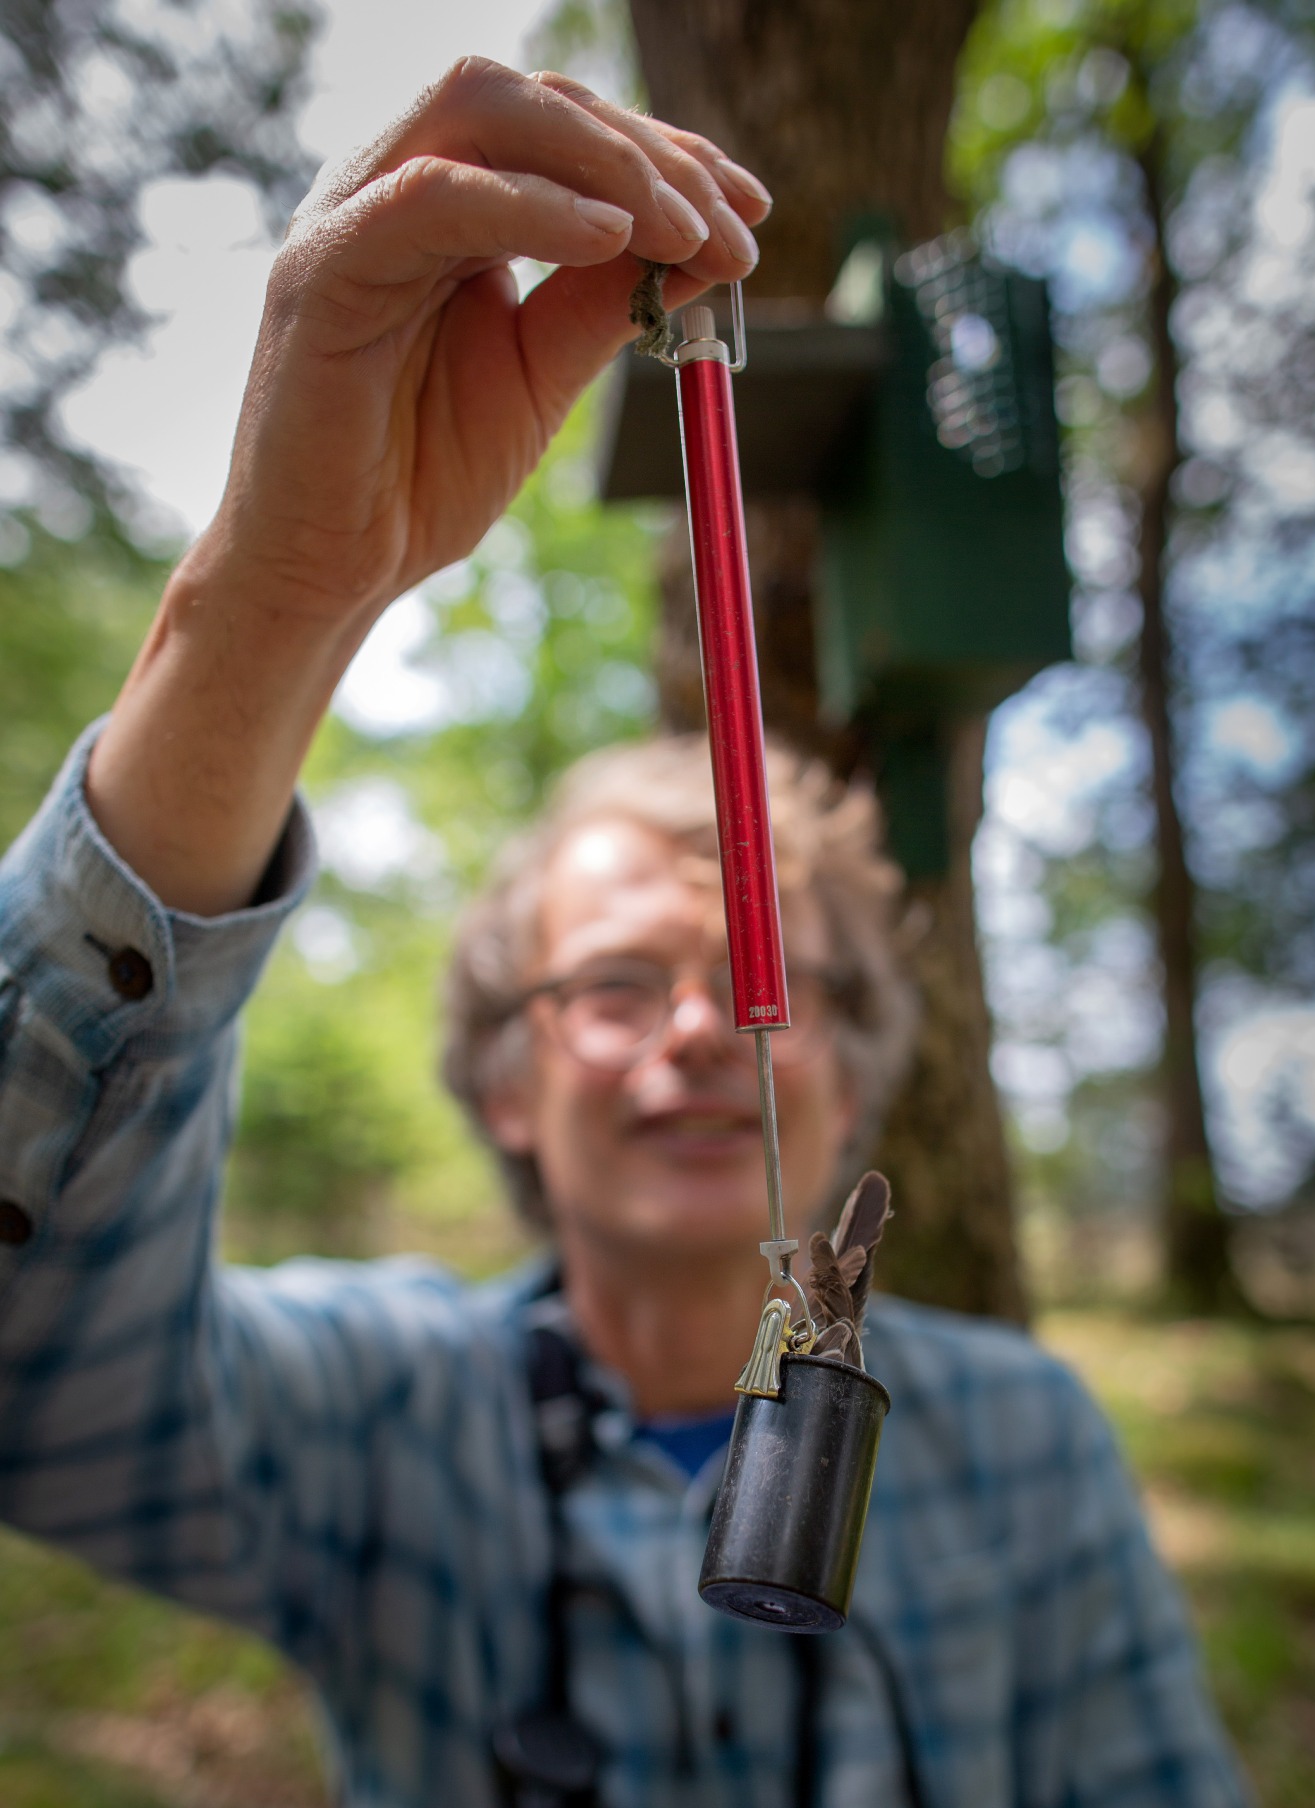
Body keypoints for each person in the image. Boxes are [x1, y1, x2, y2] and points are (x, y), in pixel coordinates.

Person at [0, 57, 1248, 1808]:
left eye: (760, 980)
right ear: (501, 1082)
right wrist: (277, 592)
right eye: (605, 984)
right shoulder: (367, 1416)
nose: (691, 1032)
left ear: (860, 1069)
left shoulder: (1032, 1449)